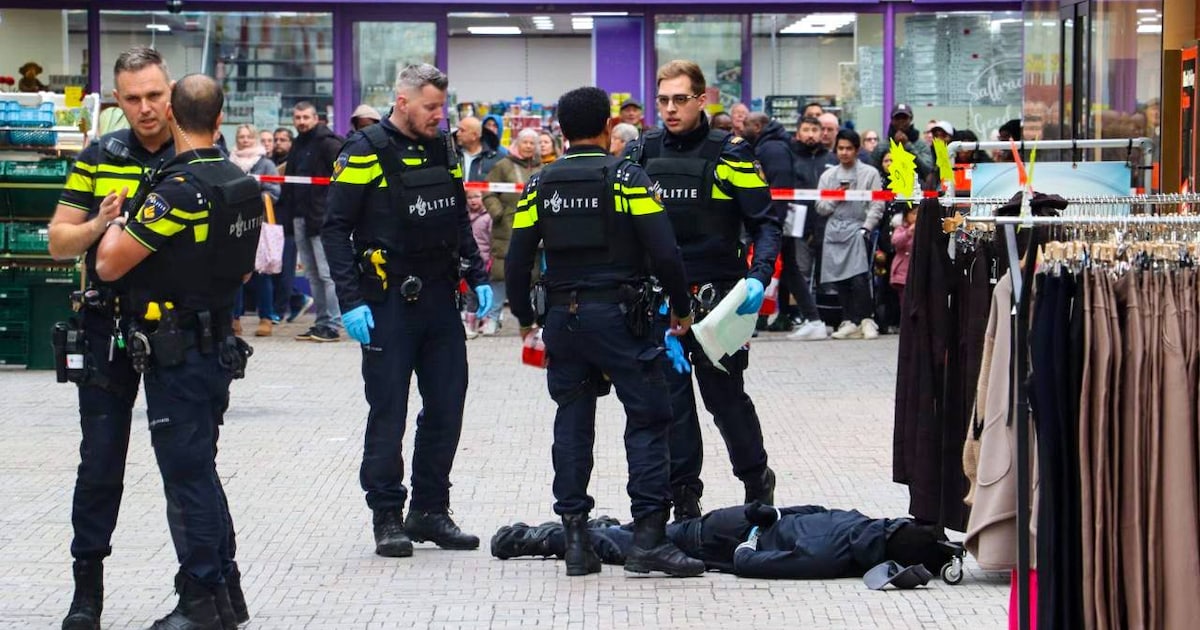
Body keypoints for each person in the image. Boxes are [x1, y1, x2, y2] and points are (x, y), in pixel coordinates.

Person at [505, 85, 703, 578]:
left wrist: (526, 320)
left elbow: (517, 258)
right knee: (649, 419)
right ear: (608, 127)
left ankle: (576, 541)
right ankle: (649, 539)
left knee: (572, 421)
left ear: (561, 131)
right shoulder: (627, 178)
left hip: (563, 321)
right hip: (622, 319)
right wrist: (681, 309)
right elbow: (665, 251)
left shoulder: (540, 184)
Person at [93, 72, 261, 630]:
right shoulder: (241, 183)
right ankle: (227, 593)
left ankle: (200, 599)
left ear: (170, 115)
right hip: (217, 346)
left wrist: (114, 223)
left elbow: (109, 265)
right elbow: (244, 270)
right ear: (221, 118)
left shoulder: (179, 191)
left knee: (186, 479)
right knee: (202, 471)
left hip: (178, 352)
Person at [46, 46, 193, 630]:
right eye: (133, 99)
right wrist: (100, 224)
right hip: (107, 328)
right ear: (117, 100)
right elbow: (58, 241)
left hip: (178, 330)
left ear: (171, 91)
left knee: (187, 467)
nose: (146, 108)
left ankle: (202, 589)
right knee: (100, 462)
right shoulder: (99, 156)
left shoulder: (195, 151)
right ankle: (87, 593)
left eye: (155, 95)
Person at [323, 63, 492, 560]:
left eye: (442, 107)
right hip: (387, 301)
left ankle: (430, 510)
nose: (440, 116)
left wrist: (478, 274)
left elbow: (457, 215)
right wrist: (350, 301)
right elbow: (335, 228)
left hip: (439, 298)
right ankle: (387, 516)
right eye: (431, 107)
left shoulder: (443, 148)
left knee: (446, 405)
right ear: (402, 101)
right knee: (389, 410)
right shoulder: (364, 151)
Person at [623, 59, 781, 521]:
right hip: (661, 305)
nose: (670, 109)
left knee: (726, 400)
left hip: (719, 304)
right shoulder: (642, 153)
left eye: (680, 99)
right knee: (672, 406)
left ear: (702, 99)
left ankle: (756, 480)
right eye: (663, 100)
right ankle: (685, 499)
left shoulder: (731, 154)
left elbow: (765, 224)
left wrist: (759, 276)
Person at [492, 501, 957, 580]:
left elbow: (752, 564)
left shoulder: (853, 530)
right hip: (723, 531)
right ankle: (557, 535)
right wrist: (766, 522)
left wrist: (756, 529)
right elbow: (754, 561)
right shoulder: (848, 544)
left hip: (721, 533)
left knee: (628, 541)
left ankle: (541, 538)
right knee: (627, 541)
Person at [816, 129, 884, 340]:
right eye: (840, 148)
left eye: (849, 148)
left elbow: (877, 204)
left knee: (859, 278)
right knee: (839, 279)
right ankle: (849, 320)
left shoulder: (870, 173)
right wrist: (835, 197)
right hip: (834, 230)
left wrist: (867, 227)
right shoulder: (828, 176)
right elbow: (820, 207)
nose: (844, 153)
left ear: (857, 150)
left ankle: (866, 319)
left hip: (857, 228)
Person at [284, 101, 343, 342]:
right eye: (297, 117)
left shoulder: (328, 143)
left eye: (306, 117)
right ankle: (321, 322)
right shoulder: (298, 143)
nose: (301, 121)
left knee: (327, 274)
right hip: (300, 217)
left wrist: (333, 210)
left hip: (322, 218)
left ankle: (334, 324)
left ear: (316, 118)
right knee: (313, 275)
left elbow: (342, 178)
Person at [482, 128, 542, 335]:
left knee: (533, 275)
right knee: (500, 275)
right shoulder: (503, 166)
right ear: (517, 143)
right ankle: (492, 318)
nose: (528, 146)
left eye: (532, 143)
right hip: (506, 228)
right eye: (525, 142)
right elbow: (488, 191)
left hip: (533, 228)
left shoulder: (542, 168)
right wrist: (497, 212)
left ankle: (532, 319)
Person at [741, 112, 796, 330]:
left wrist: (772, 222)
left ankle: (762, 317)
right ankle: (766, 318)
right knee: (787, 270)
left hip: (771, 220)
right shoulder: (767, 145)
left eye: (745, 124)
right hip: (769, 219)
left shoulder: (771, 149)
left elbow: (778, 188)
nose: (741, 128)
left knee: (771, 268)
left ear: (757, 126)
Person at [786, 115, 837, 341]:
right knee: (800, 272)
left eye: (814, 130)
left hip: (827, 224)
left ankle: (829, 317)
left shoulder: (831, 159)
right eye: (806, 130)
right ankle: (804, 318)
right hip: (799, 224)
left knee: (828, 277)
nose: (810, 135)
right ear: (798, 133)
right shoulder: (791, 157)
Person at [229, 123, 282, 338]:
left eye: (248, 137)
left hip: (260, 224)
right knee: (235, 273)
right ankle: (234, 319)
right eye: (241, 137)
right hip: (234, 225)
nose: (244, 140)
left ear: (255, 139)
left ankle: (266, 318)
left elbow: (274, 191)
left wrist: (251, 197)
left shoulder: (266, 163)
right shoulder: (229, 162)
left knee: (262, 274)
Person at [871, 104, 932, 178]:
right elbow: (873, 171)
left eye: (904, 118)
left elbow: (927, 170)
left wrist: (907, 146)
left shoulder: (920, 144)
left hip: (915, 184)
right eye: (897, 118)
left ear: (911, 119)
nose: (901, 121)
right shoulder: (882, 146)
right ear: (892, 120)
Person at [463, 189, 493, 338]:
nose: (473, 200)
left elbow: (492, 240)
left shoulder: (488, 218)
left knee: (485, 293)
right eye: (470, 197)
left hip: (486, 260)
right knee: (470, 294)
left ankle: (485, 321)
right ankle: (470, 323)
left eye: (476, 196)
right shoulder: (464, 217)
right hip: (470, 262)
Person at [454, 116, 502, 182]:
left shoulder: (496, 158)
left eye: (462, 130)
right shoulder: (452, 155)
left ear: (474, 135)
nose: (457, 134)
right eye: (458, 130)